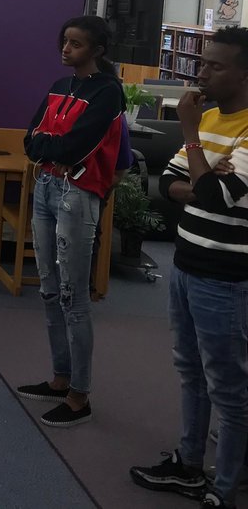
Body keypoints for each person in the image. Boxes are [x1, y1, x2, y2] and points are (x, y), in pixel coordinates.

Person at [130, 26, 248, 508]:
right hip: (185, 262)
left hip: (226, 276)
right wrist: (203, 176)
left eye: (214, 66)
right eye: (202, 62)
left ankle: (224, 488)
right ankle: (189, 464)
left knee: (228, 384)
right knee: (191, 370)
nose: (200, 74)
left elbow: (217, 197)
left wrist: (191, 137)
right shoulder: (216, 120)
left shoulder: (232, 125)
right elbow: (168, 188)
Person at [17, 15, 125, 428]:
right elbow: (30, 139)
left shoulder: (108, 92)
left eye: (76, 44)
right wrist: (49, 149)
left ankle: (81, 394)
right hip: (46, 186)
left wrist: (51, 147)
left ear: (96, 50)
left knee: (73, 295)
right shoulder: (59, 87)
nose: (66, 49)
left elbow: (80, 145)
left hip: (77, 195)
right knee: (47, 288)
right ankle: (60, 378)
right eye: (64, 41)